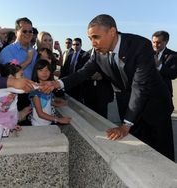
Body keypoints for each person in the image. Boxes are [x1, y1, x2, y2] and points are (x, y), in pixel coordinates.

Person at [51, 14, 174, 160]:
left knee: (162, 151)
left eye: (96, 37)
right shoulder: (97, 54)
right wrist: (57, 83)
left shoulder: (140, 45)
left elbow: (140, 86)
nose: (93, 43)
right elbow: (83, 73)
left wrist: (126, 125)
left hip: (155, 105)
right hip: (128, 106)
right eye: (90, 39)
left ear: (112, 32)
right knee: (138, 152)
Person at [30, 59, 71, 126]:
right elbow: (40, 114)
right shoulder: (35, 90)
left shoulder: (48, 87)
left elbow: (48, 101)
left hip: (47, 123)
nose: (44, 73)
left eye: (47, 70)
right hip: (38, 125)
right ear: (36, 72)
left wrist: (60, 104)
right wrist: (59, 119)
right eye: (41, 70)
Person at [152, 30, 177, 97]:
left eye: (158, 42)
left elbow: (173, 74)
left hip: (164, 95)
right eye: (153, 42)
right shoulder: (146, 54)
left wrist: (159, 66)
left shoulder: (174, 55)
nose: (155, 45)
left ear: (166, 42)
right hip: (146, 95)